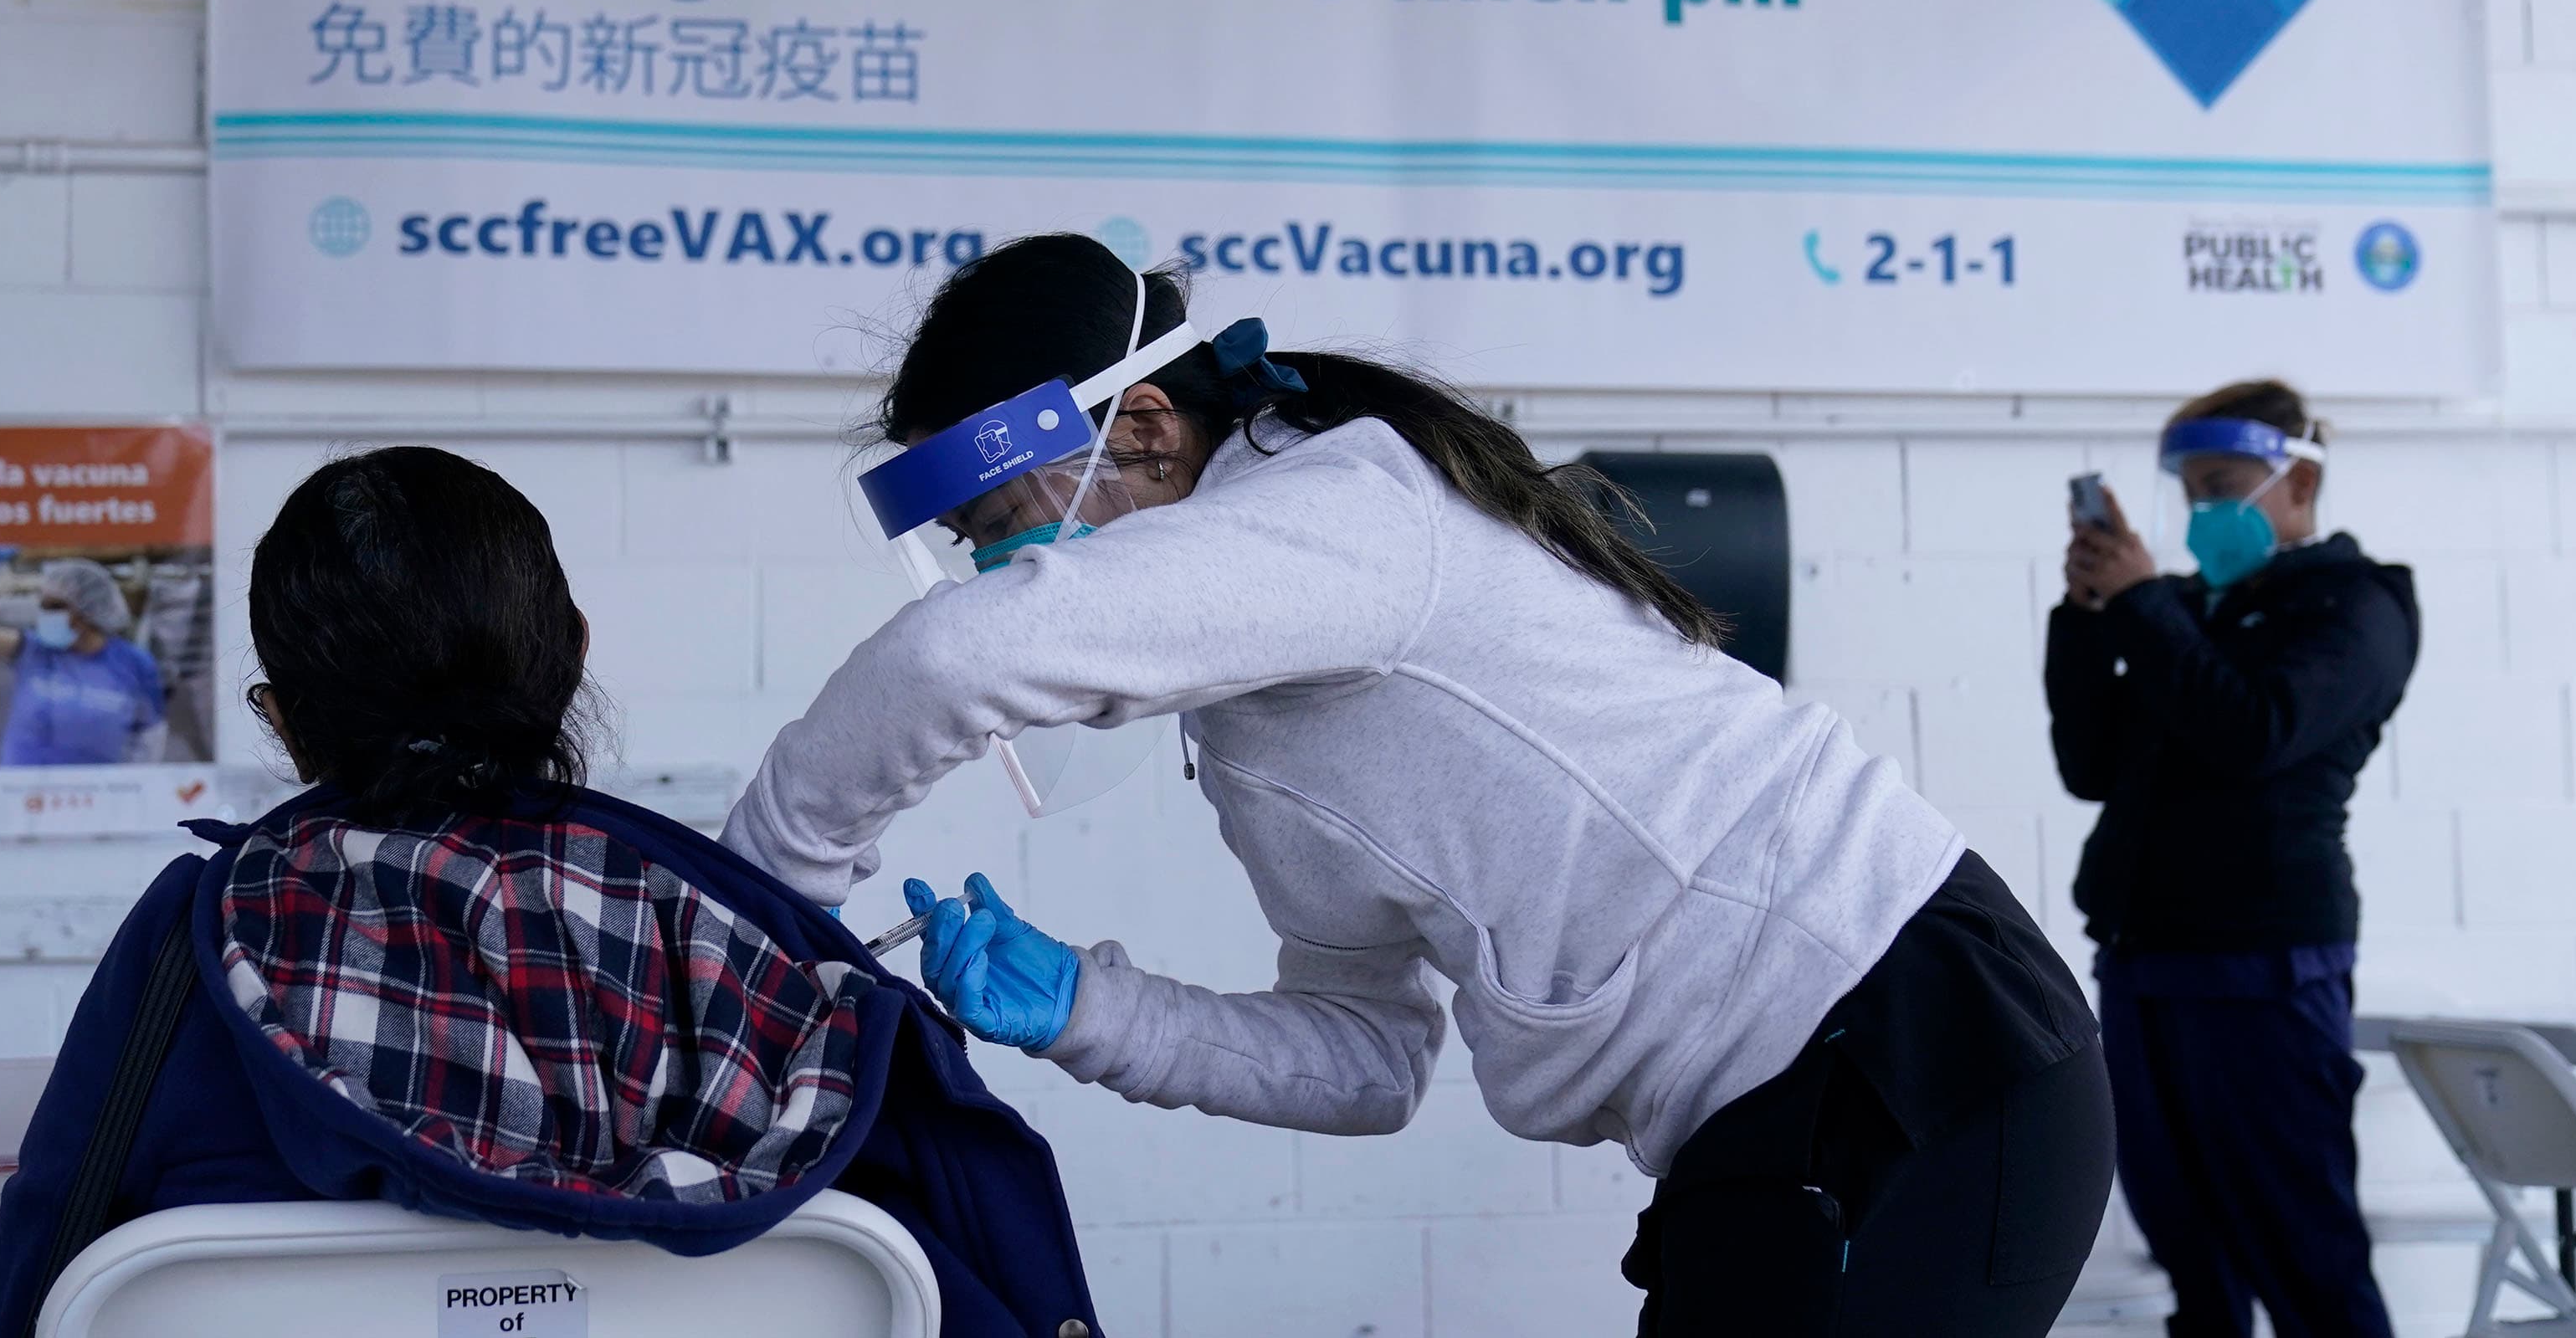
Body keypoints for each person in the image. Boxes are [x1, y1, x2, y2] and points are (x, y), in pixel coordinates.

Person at [724, 233, 2117, 1335]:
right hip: (1765, 1122)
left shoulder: (1338, 511)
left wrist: (757, 903)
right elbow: (1368, 1058)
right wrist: (1091, 1006)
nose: (1001, 571)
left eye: (1010, 529)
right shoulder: (1267, 720)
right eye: (973, 545)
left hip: (1916, 1048)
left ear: (1142, 428)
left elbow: (958, 656)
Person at [0, 449, 1101, 1338]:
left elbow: (42, 1278)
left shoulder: (185, 945)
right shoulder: (767, 963)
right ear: (573, 652)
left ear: (279, 715)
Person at [2050, 379, 2419, 1338]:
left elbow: (2256, 732)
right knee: (2190, 1254)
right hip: (2143, 962)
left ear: (2295, 477)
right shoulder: (2184, 609)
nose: (2203, 508)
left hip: (2262, 968)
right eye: (2190, 488)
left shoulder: (2359, 605)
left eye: (2223, 483)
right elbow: (2090, 765)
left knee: (2303, 1252)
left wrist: (2143, 607)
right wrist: (2090, 615)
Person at [0, 553, 166, 766]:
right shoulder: (33, 650)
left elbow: (150, 738)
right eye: (42, 605)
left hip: (96, 793)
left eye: (55, 607)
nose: (44, 614)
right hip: (22, 791)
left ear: (86, 612)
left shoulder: (134, 663)